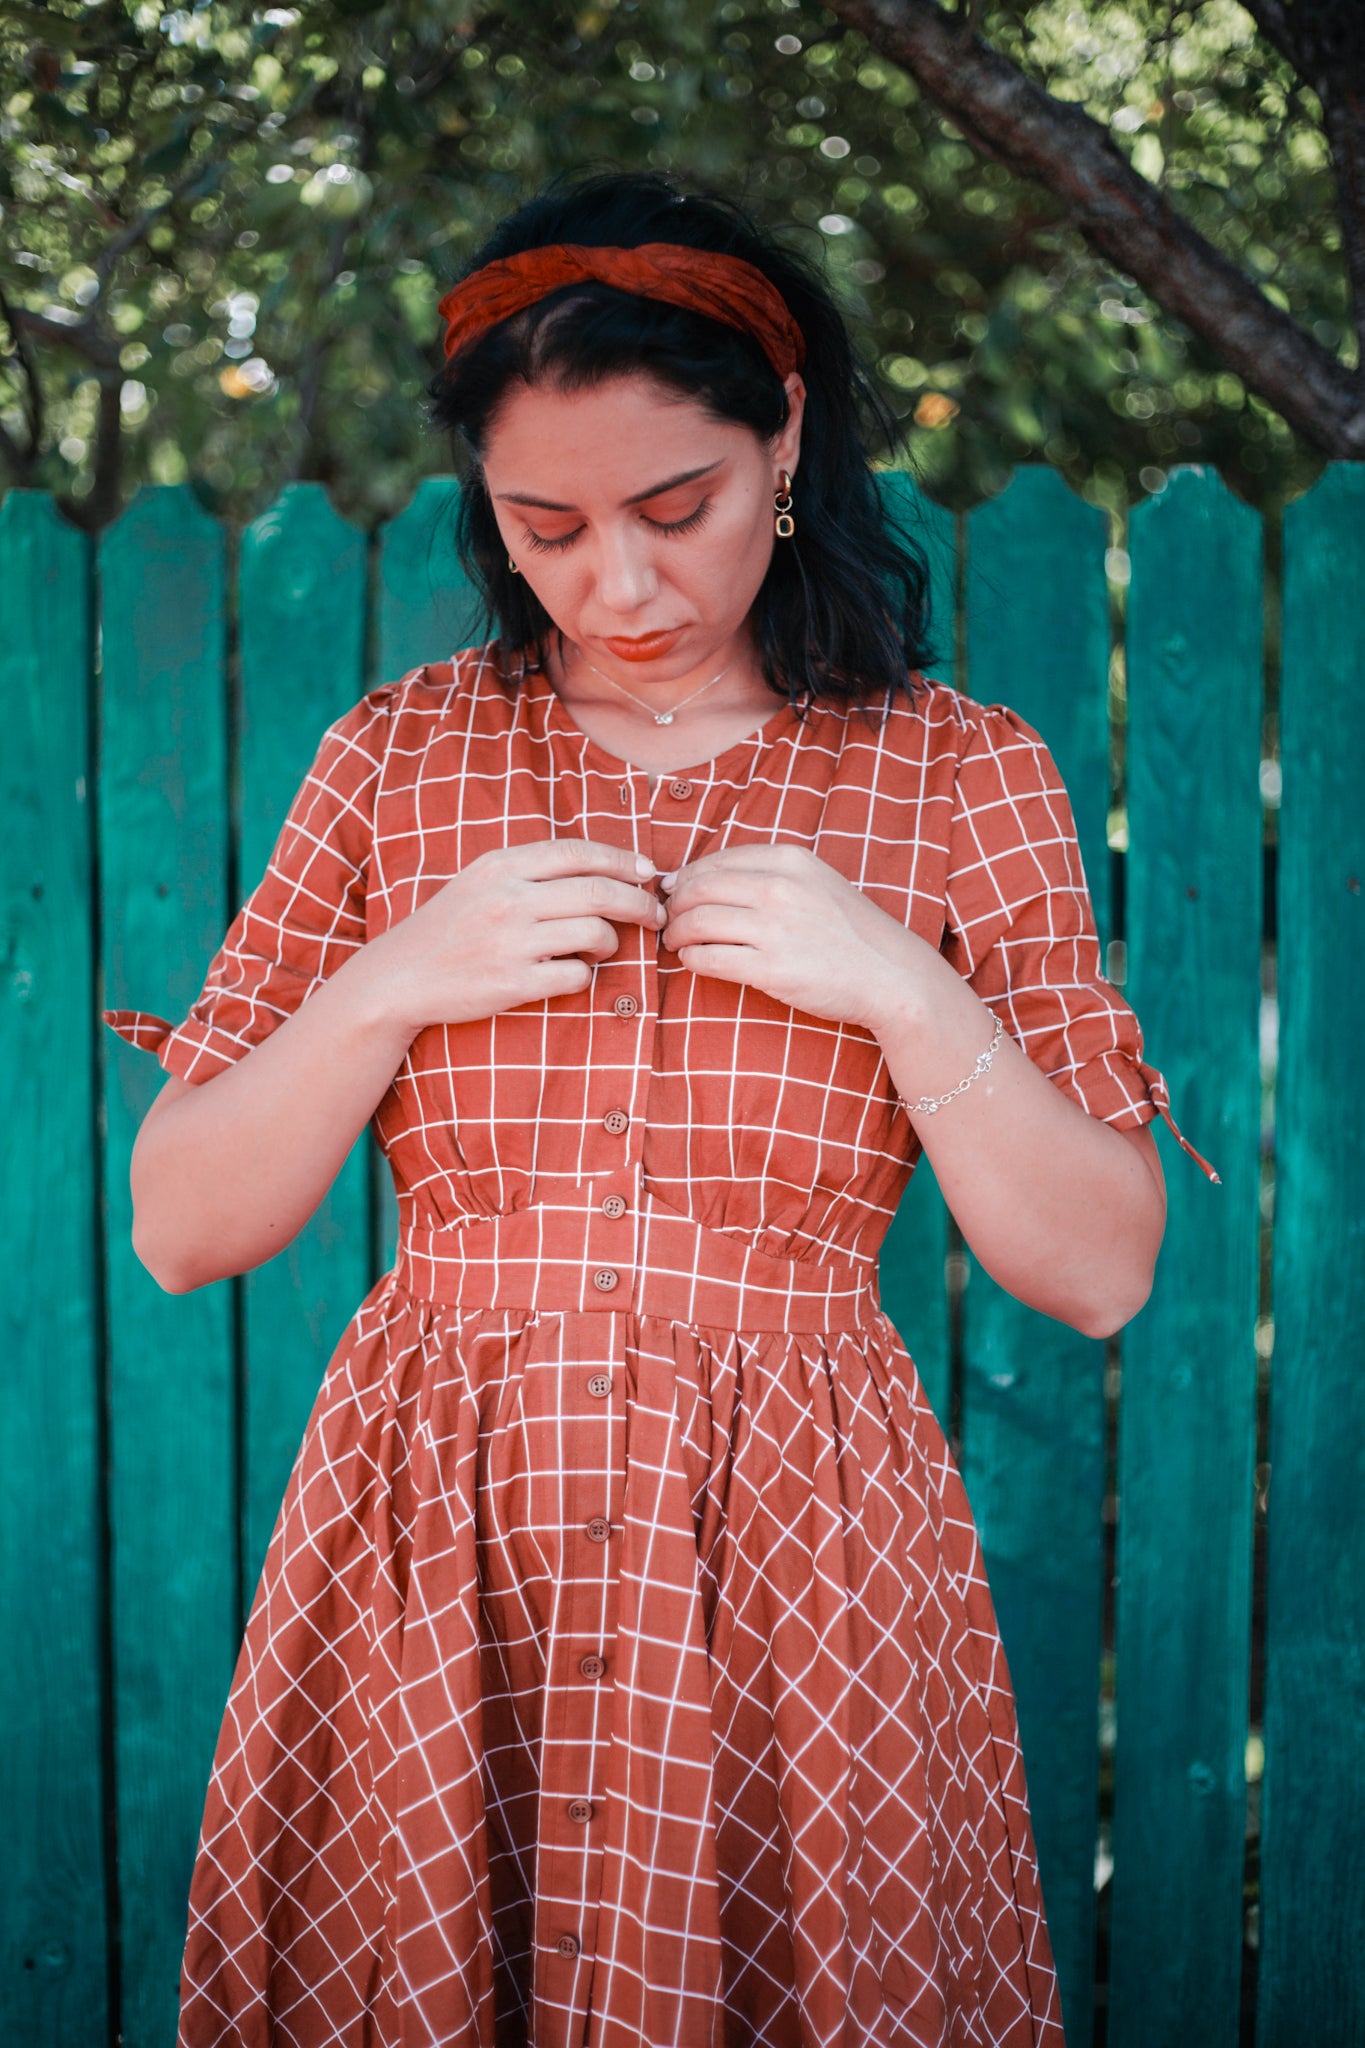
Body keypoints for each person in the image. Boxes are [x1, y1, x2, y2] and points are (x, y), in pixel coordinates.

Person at [105, 168, 1218, 2048]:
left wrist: (895, 979)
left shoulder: (960, 775)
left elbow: (1099, 1271)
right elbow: (179, 1224)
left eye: (673, 507)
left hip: (803, 1546)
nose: (617, 583)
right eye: (544, 527)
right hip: (432, 1536)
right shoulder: (397, 758)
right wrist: (398, 977)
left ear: (783, 441)